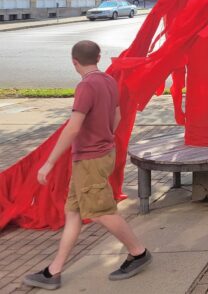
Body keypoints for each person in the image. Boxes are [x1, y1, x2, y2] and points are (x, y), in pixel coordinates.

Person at [24, 41, 151, 290]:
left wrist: (48, 163)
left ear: (74, 62)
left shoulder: (86, 86)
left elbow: (73, 127)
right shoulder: (108, 81)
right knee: (73, 212)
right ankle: (54, 271)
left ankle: (138, 252)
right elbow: (117, 116)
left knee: (101, 212)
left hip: (90, 159)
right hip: (100, 154)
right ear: (98, 57)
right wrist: (105, 136)